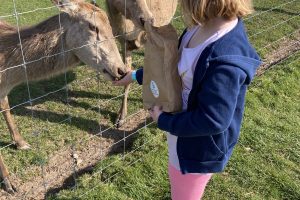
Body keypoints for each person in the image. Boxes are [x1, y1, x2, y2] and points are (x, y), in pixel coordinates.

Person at [113, 0, 261, 199]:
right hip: (183, 134)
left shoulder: (226, 61)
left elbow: (213, 120)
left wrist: (164, 121)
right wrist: (134, 76)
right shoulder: (199, 28)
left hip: (197, 150)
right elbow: (174, 67)